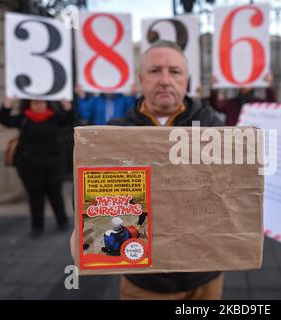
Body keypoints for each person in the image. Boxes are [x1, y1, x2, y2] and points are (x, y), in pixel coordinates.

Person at [71, 40, 224, 300]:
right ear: (140, 79)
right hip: (143, 280)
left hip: (205, 276)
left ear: (187, 79)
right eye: (155, 71)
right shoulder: (115, 132)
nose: (165, 80)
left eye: (174, 72)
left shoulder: (213, 126)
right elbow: (95, 198)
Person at [0, 97, 73, 238]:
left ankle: (62, 221)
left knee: (55, 194)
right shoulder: (24, 118)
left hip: (52, 165)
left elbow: (69, 120)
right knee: (35, 196)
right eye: (35, 103)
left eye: (41, 103)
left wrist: (67, 106)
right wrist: (7, 104)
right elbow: (5, 120)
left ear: (47, 104)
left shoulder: (54, 117)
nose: (39, 106)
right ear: (30, 104)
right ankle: (37, 226)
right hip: (30, 166)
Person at [209, 74, 276, 126]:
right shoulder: (232, 103)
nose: (245, 85)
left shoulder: (257, 103)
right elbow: (216, 105)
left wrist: (269, 85)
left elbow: (271, 105)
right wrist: (215, 87)